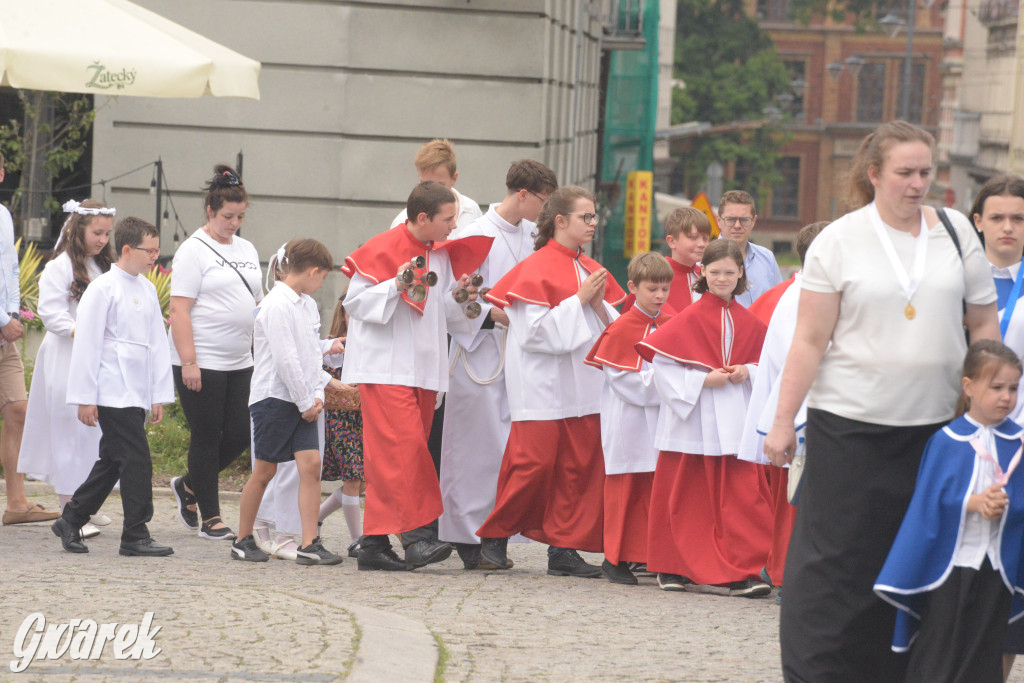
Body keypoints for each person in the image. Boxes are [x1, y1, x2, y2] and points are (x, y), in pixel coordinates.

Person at [763, 120, 999, 682]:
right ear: (874, 175)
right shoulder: (838, 240)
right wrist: (779, 423)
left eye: (927, 172)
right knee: (837, 564)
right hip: (850, 426)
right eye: (905, 173)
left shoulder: (957, 234)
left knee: (920, 553)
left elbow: (983, 320)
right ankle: (819, 673)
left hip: (934, 428)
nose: (918, 184)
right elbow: (810, 340)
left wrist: (993, 399)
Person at [341, 181, 493, 571]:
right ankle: (419, 539)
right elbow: (354, 304)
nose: (453, 227)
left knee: (395, 456)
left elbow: (440, 311)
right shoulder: (380, 249)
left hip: (424, 368)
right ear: (423, 218)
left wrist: (461, 298)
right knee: (405, 451)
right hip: (385, 367)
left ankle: (374, 545)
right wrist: (396, 284)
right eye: (448, 220)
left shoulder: (438, 255)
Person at [476, 185, 626, 577]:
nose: (593, 224)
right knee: (533, 464)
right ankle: (495, 536)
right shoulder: (536, 267)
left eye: (594, 217)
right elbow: (533, 335)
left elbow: (613, 330)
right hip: (541, 384)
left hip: (583, 384)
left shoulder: (591, 269)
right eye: (586, 217)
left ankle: (564, 549)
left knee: (577, 469)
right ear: (560, 221)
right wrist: (577, 301)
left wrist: (594, 304)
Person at [874, 340, 1024, 683]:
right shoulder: (946, 440)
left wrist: (1007, 504)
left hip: (998, 567)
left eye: (1013, 388)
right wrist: (974, 503)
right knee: (941, 646)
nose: (1006, 397)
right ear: (968, 387)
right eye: (997, 387)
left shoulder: (1019, 443)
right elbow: (928, 502)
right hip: (950, 566)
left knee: (986, 649)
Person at [438, 159, 558, 570]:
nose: (544, 212)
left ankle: (498, 535)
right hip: (479, 353)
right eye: (543, 202)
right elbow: (451, 302)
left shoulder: (534, 237)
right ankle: (469, 539)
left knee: (513, 450)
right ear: (522, 194)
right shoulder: (474, 235)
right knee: (476, 449)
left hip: (523, 355)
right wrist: (491, 315)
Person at [637, 238, 772, 597]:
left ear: (741, 273)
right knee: (684, 495)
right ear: (703, 273)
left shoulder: (751, 321)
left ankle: (741, 570)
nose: (722, 278)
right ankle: (671, 567)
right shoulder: (687, 319)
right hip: (692, 419)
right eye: (715, 272)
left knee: (742, 497)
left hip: (733, 419)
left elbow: (769, 367)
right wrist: (702, 380)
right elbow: (662, 369)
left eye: (729, 272)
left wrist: (747, 371)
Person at [51, 217, 175, 556]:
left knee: (113, 460)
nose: (155, 257)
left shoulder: (148, 289)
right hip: (108, 389)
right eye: (149, 250)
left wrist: (157, 393)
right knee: (137, 460)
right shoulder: (102, 288)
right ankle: (135, 534)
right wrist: (85, 397)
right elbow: (88, 344)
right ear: (126, 249)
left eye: (157, 250)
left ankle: (71, 518)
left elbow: (156, 344)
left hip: (135, 390)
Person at [231, 238, 345, 566]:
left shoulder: (304, 303)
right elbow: (285, 359)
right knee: (264, 471)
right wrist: (304, 401)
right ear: (312, 271)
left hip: (302, 400)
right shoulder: (276, 304)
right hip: (275, 399)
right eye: (322, 276)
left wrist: (318, 389)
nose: (322, 283)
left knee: (310, 466)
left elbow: (307, 352)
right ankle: (242, 539)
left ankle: (310, 543)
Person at [168, 165, 262, 542]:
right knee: (207, 435)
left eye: (240, 216)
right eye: (227, 216)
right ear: (210, 210)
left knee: (241, 432)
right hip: (202, 360)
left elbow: (257, 301)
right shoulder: (193, 250)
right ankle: (210, 516)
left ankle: (190, 485)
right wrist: (189, 361)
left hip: (242, 359)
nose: (234, 223)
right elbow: (179, 310)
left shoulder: (248, 248)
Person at [737, 221, 828, 590]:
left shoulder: (805, 291)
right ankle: (785, 574)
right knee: (797, 501)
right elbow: (802, 358)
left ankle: (780, 567)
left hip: (799, 411)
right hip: (801, 414)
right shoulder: (804, 297)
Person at [17, 199, 115, 539]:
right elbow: (52, 314)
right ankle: (70, 506)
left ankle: (85, 504)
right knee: (68, 429)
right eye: (96, 232)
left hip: (95, 357)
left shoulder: (103, 267)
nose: (102, 240)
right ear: (79, 230)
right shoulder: (59, 267)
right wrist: (84, 331)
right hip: (65, 356)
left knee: (93, 433)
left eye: (106, 233)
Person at [584, 251, 673, 585]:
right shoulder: (621, 329)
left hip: (660, 422)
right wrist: (671, 385)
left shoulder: (669, 324)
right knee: (625, 490)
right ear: (633, 288)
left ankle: (648, 554)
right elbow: (626, 383)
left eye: (665, 289)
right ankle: (613, 557)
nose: (660, 296)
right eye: (653, 289)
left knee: (653, 490)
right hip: (628, 422)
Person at [968, 173, 1024, 678]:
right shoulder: (955, 285)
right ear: (978, 221)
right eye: (998, 217)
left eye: (1019, 218)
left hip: (1020, 453)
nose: (1008, 227)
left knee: (1009, 586)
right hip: (961, 448)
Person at [0, 152, 57, 526]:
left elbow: (9, 268)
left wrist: (14, 314)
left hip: (4, 336)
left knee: (19, 410)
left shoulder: (3, 214)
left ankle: (17, 503)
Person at [317, 295, 365, 558]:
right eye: (351, 314)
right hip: (340, 420)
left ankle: (316, 517)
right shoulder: (336, 346)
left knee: (360, 483)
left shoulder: (372, 346)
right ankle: (357, 540)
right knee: (353, 479)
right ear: (343, 315)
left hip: (362, 421)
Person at [390, 138, 482, 236]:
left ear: (454, 179)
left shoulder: (471, 210)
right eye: (425, 185)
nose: (432, 194)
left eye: (440, 186)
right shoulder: (404, 221)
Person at [717, 190, 782, 307]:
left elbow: (779, 302)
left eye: (744, 220)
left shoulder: (767, 258)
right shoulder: (703, 260)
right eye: (731, 220)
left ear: (754, 221)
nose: (737, 226)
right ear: (719, 221)